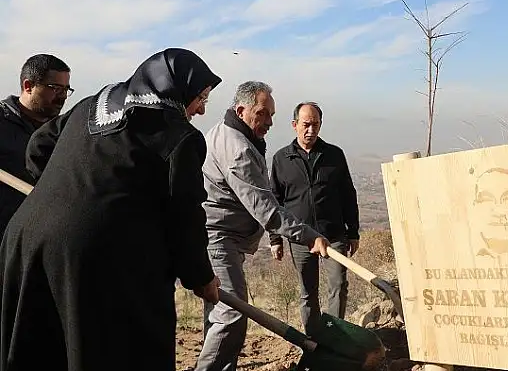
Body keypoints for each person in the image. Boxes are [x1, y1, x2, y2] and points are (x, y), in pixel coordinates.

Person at [0, 48, 222, 371]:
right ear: (178, 89)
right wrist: (201, 277)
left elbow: (38, 146)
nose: (201, 110)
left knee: (43, 348)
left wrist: (58, 194)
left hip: (27, 240)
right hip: (92, 261)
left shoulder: (94, 103)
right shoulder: (181, 138)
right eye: (200, 98)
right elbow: (185, 218)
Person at [195, 81, 331, 371]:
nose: (269, 122)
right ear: (241, 110)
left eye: (271, 115)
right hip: (219, 239)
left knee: (219, 313)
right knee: (230, 316)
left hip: (218, 236)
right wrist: (309, 236)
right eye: (263, 114)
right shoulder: (238, 149)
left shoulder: (225, 130)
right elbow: (267, 210)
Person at [269, 101, 360, 335]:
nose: (311, 130)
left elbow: (348, 194)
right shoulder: (281, 159)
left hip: (334, 233)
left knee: (338, 287)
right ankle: (312, 340)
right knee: (307, 291)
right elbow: (275, 201)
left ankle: (334, 337)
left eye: (316, 125)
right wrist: (275, 239)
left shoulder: (334, 155)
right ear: (294, 125)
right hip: (300, 238)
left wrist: (354, 232)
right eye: (306, 125)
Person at [0, 54, 71, 237]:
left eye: (66, 89)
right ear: (28, 86)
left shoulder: (62, 131)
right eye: (55, 88)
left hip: (42, 237)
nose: (62, 96)